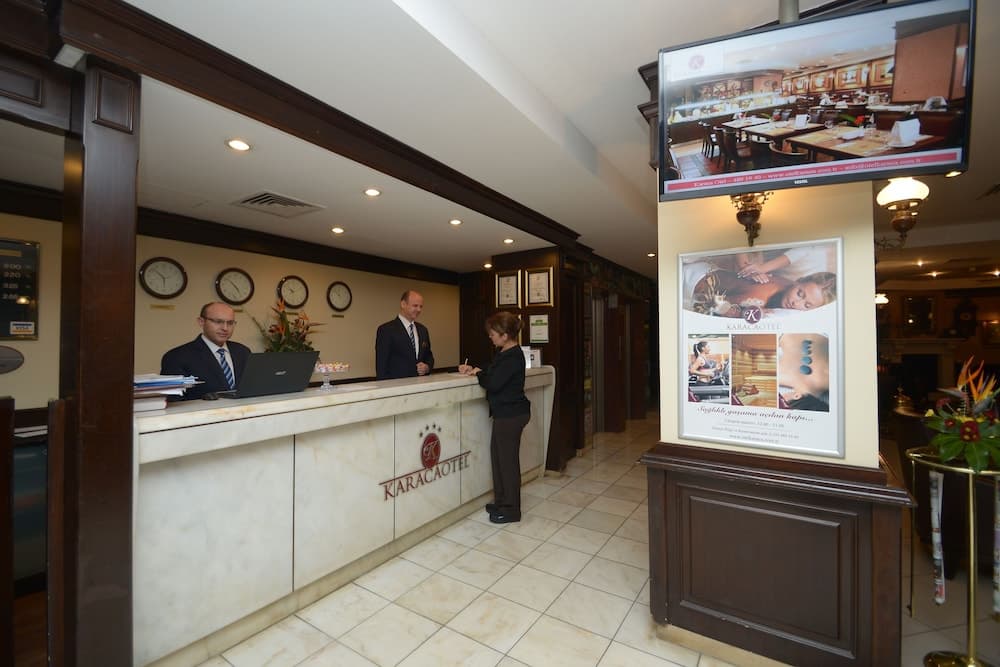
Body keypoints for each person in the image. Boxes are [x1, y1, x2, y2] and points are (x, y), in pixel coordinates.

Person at [458, 311, 530, 524]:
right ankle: (501, 501)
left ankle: (511, 509)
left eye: (493, 333)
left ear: (505, 335)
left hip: (511, 415)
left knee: (507, 463)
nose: (490, 336)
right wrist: (476, 369)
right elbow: (493, 371)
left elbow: (494, 383)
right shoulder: (504, 353)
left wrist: (479, 374)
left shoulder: (513, 356)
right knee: (499, 459)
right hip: (505, 414)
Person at [160, 302, 252, 400]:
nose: (225, 328)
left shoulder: (243, 352)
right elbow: (174, 400)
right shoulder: (177, 357)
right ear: (201, 322)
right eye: (218, 322)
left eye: (230, 323)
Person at [690, 269, 836, 317]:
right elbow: (711, 302)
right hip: (694, 281)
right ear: (798, 281)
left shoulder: (789, 287)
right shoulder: (762, 295)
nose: (795, 303)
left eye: (807, 305)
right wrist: (741, 314)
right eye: (799, 294)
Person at [375, 290, 434, 380]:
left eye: (421, 306)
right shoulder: (386, 330)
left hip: (421, 384)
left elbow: (429, 356)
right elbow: (381, 366)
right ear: (403, 304)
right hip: (397, 386)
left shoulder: (423, 330)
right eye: (415, 306)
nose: (419, 310)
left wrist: (427, 367)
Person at [777, 333, 830, 412]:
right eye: (782, 401)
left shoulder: (828, 381)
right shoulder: (780, 376)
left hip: (824, 335)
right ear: (797, 396)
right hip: (788, 334)